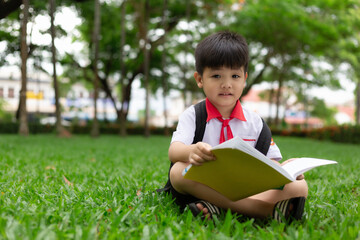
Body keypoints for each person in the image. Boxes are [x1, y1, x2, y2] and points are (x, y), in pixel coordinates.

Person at [166, 31, 308, 222]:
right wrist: (190, 151)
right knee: (177, 172)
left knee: (300, 187)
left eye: (234, 75)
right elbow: (174, 151)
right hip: (206, 183)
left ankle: (218, 207)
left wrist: (287, 170)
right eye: (216, 76)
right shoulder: (194, 115)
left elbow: (272, 162)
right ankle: (262, 210)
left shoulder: (255, 122)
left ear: (245, 78)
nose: (226, 84)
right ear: (200, 79)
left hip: (246, 186)